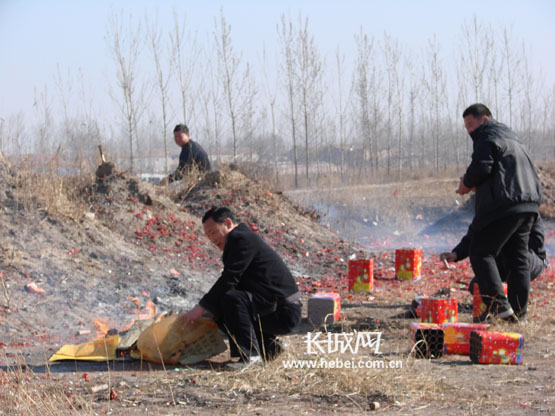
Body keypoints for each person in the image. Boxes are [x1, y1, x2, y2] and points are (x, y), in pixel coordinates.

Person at [181, 207, 302, 369]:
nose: (211, 239)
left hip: (284, 311)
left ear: (228, 223)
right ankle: (270, 348)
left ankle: (250, 358)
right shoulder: (236, 242)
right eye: (208, 236)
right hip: (271, 307)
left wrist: (201, 307)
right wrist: (210, 310)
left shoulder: (242, 239)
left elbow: (229, 279)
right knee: (220, 307)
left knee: (231, 298)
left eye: (213, 232)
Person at [454, 103, 542, 322]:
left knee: (481, 252)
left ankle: (499, 307)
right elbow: (501, 170)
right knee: (517, 258)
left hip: (505, 204)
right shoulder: (514, 139)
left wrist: (466, 183)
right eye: (466, 126)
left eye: (470, 124)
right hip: (528, 203)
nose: (469, 131)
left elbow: (482, 166)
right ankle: (518, 315)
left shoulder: (487, 135)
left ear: (484, 120)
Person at [441, 214, 548, 298]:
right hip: (501, 261)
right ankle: (501, 301)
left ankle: (518, 304)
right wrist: (457, 253)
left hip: (530, 259)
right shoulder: (489, 211)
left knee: (517, 259)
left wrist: (509, 240)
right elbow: (474, 235)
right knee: (477, 287)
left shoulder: (525, 209)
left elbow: (537, 242)